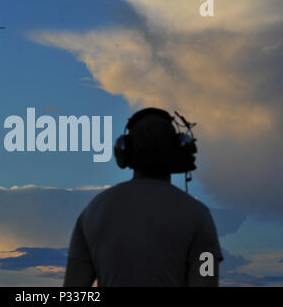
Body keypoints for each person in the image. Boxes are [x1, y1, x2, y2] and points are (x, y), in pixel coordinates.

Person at [63, 107, 223, 287]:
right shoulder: (199, 216)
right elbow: (205, 280)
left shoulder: (93, 212)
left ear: (125, 151)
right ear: (180, 149)